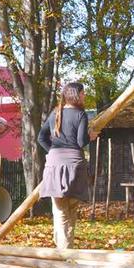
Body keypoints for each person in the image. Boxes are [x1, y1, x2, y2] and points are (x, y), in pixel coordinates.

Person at [39, 82, 96, 249]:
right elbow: (81, 142)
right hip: (75, 165)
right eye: (83, 93)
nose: (85, 96)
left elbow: (41, 138)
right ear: (76, 95)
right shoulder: (80, 114)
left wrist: (53, 153)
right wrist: (90, 136)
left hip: (55, 164)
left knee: (60, 209)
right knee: (70, 209)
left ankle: (64, 249)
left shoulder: (55, 113)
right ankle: (66, 250)